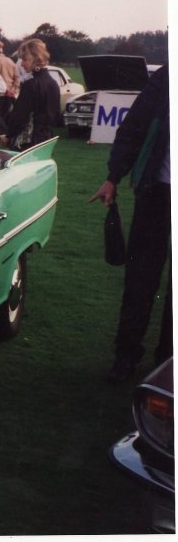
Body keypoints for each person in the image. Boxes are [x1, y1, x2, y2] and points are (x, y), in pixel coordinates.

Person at [89, 64, 170, 383]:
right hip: (156, 191)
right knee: (140, 279)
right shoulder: (166, 76)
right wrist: (113, 177)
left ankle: (167, 364)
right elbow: (133, 128)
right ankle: (126, 356)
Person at [0, 39, 59, 151]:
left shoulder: (31, 85)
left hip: (28, 143)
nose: (22, 64)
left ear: (36, 59)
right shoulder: (53, 83)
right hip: (46, 141)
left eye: (25, 59)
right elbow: (55, 116)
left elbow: (19, 117)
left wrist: (8, 136)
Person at [0, 45, 19, 133]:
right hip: (10, 94)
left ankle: (4, 135)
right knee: (4, 116)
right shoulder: (10, 61)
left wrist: (6, 90)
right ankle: (5, 135)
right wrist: (12, 90)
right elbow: (17, 77)